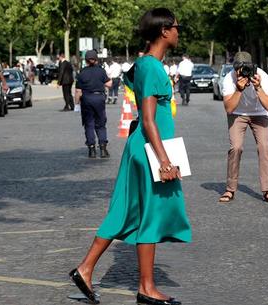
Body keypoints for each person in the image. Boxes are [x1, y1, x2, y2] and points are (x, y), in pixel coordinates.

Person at [69, 8, 190, 305]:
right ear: (164, 31)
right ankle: (146, 287)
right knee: (152, 213)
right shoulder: (151, 67)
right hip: (151, 148)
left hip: (144, 146)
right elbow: (148, 119)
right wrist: (163, 160)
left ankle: (85, 270)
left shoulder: (146, 65)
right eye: (176, 27)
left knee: (125, 212)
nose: (178, 31)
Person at [218, 51, 268, 204]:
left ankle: (267, 190)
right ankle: (230, 189)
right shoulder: (229, 78)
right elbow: (229, 109)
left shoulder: (262, 76)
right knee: (236, 147)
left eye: (246, 68)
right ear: (235, 69)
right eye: (240, 69)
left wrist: (258, 88)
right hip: (237, 113)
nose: (243, 73)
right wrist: (239, 90)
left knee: (264, 147)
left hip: (260, 113)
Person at [74, 50, 112, 158]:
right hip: (99, 98)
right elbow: (109, 84)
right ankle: (103, 148)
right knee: (100, 124)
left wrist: (76, 104)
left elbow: (78, 91)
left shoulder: (82, 73)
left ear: (85, 60)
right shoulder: (101, 71)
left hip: (87, 99)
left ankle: (91, 149)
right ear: (96, 59)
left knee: (89, 124)